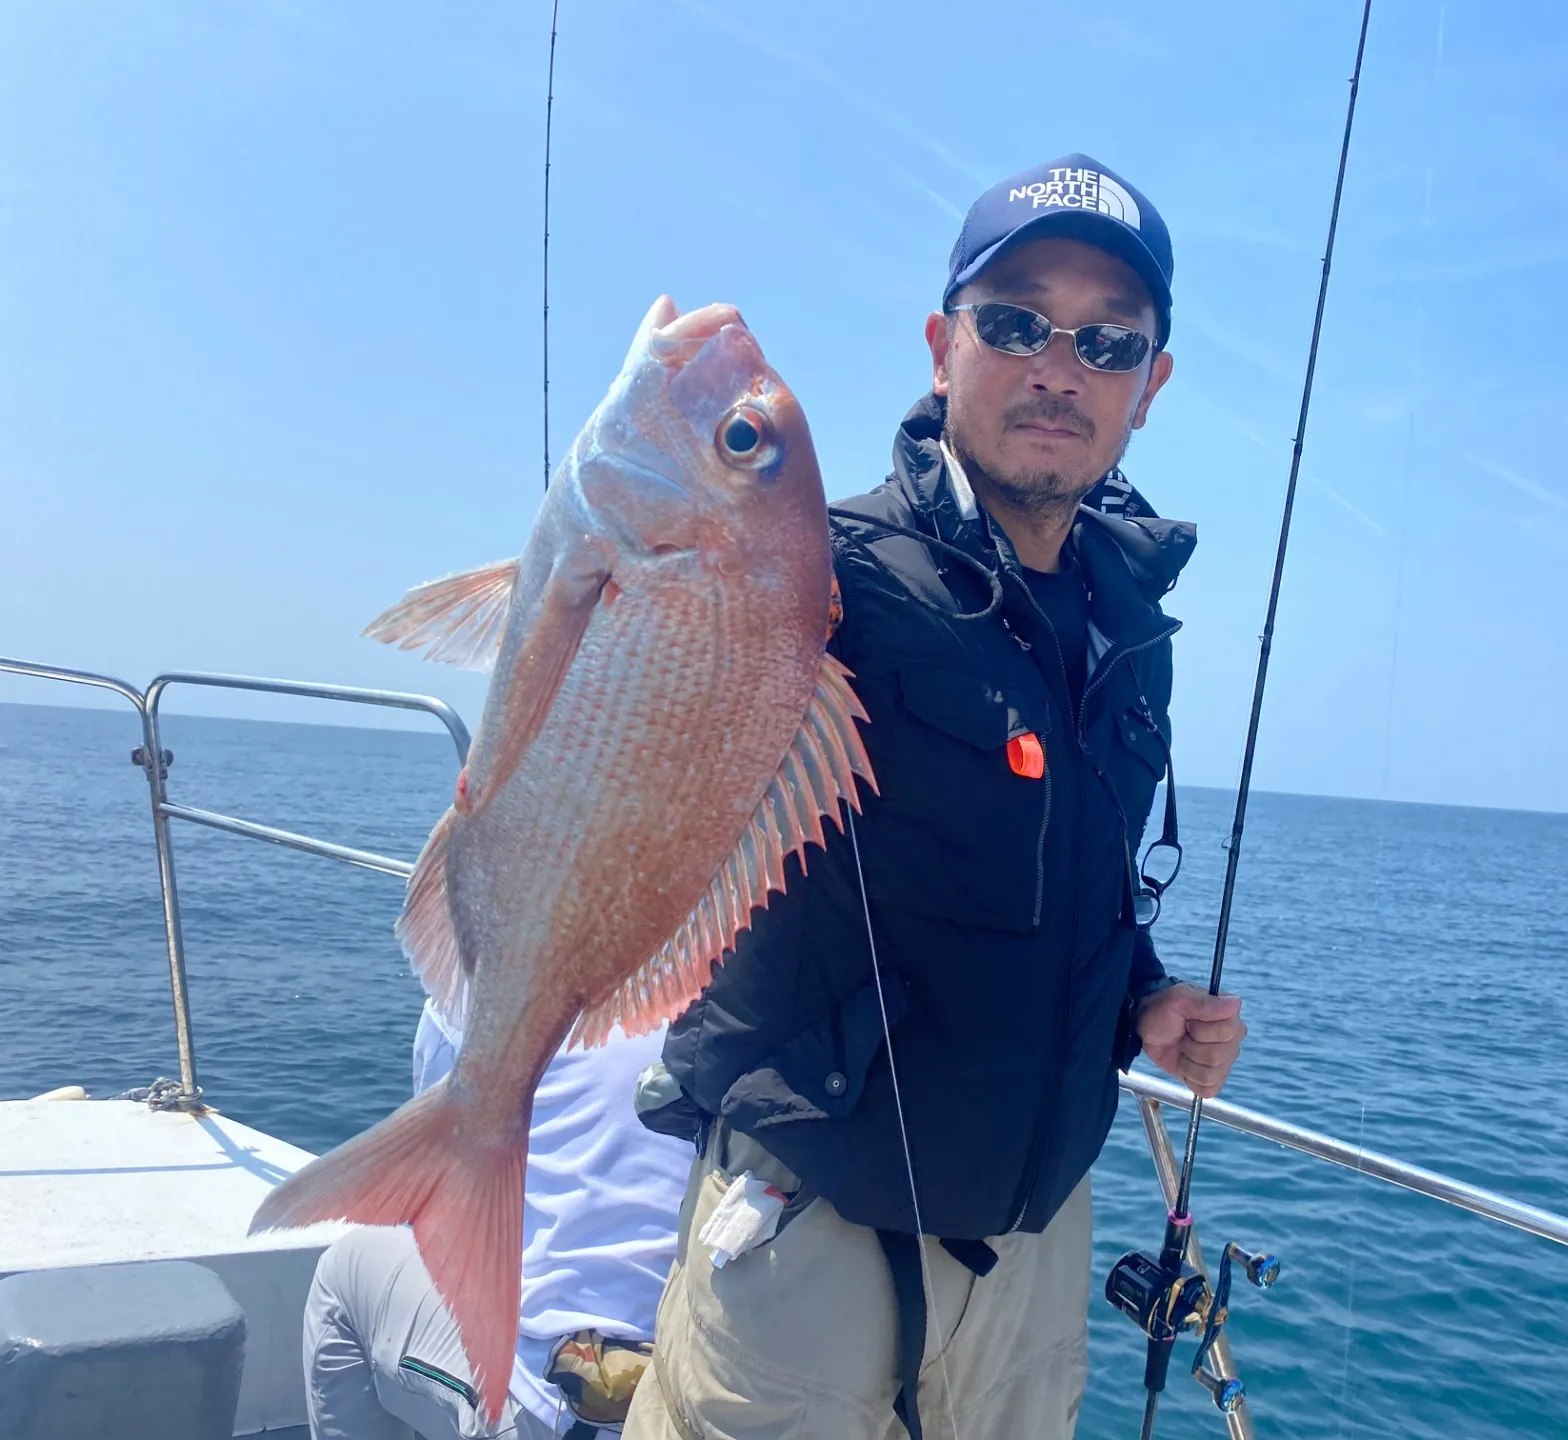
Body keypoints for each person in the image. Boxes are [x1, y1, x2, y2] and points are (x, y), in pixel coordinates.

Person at [625, 153, 1247, 1440]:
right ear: (941, 346)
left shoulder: (1129, 630)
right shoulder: (816, 569)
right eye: (1015, 322)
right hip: (808, 1232)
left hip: (1032, 1246)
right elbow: (647, 685)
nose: (1058, 367)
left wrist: (1145, 999)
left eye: (1108, 342)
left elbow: (1076, 885)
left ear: (1149, 386)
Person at [303, 1001, 695, 1439]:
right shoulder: (735, 1009)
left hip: (572, 1408)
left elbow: (441, 1208)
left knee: (345, 1270)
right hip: (716, 1405)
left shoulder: (476, 997)